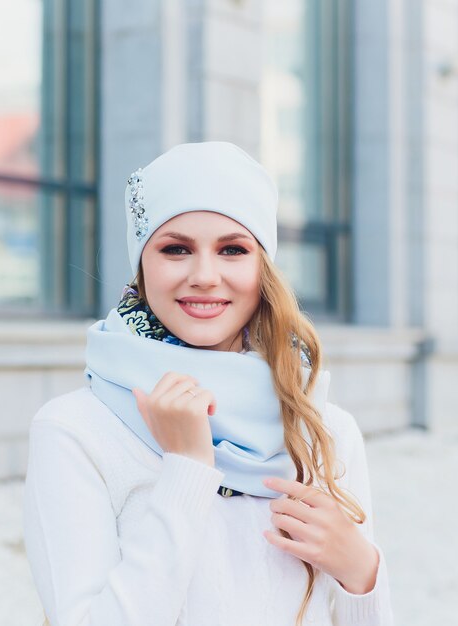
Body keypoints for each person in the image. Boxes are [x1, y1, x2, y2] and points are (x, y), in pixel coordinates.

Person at [23, 141, 394, 626]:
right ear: (142, 264)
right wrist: (188, 469)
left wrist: (361, 572)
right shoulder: (76, 430)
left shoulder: (322, 427)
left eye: (232, 250)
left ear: (263, 268)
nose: (204, 275)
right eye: (175, 249)